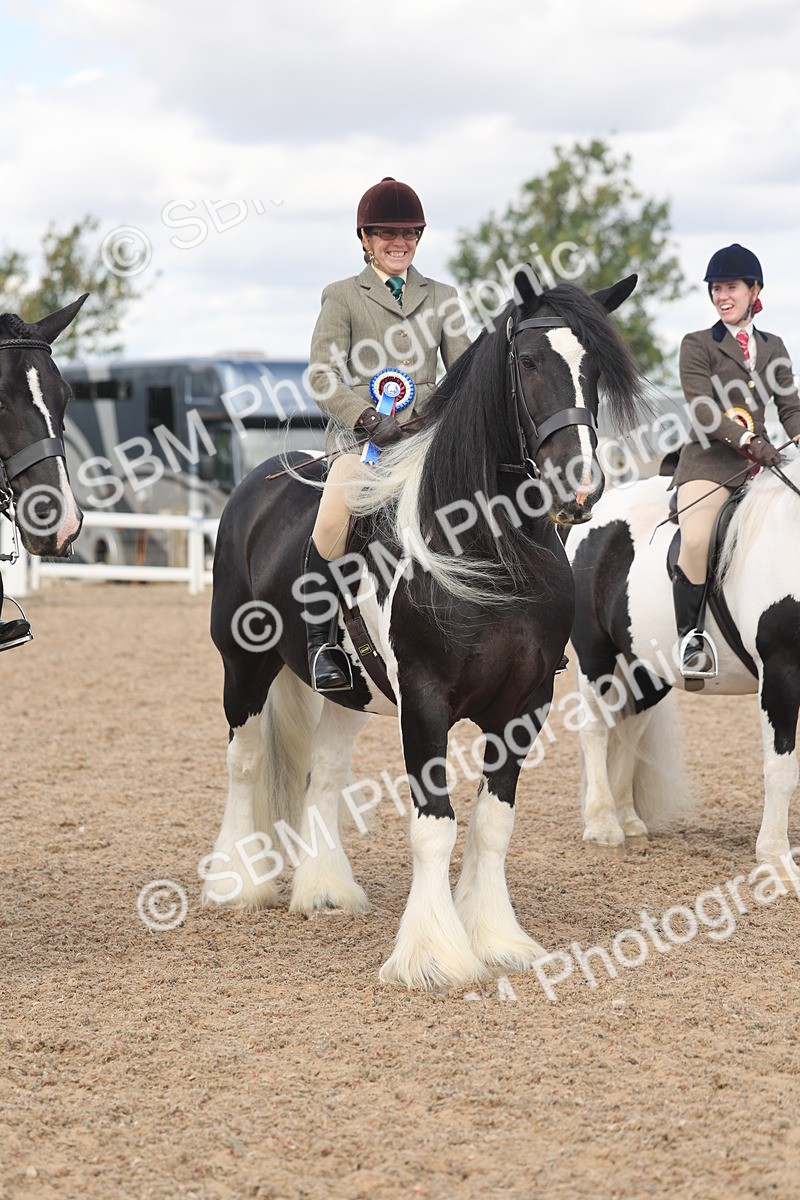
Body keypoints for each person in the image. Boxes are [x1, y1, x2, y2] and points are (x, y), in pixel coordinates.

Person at [304, 176, 471, 691]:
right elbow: (322, 376)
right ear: (366, 239)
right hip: (367, 441)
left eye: (409, 233)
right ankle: (322, 640)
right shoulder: (341, 297)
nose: (399, 243)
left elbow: (464, 372)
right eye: (387, 234)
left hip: (428, 438)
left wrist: (438, 415)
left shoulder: (442, 297)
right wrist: (367, 417)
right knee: (336, 511)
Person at [671, 243, 800, 678]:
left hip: (763, 469)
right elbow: (703, 410)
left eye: (730, 287)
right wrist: (748, 438)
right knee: (696, 539)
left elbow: (790, 408)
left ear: (754, 289)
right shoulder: (698, 344)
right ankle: (691, 641)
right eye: (715, 288)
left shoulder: (774, 346)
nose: (721, 296)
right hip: (710, 466)